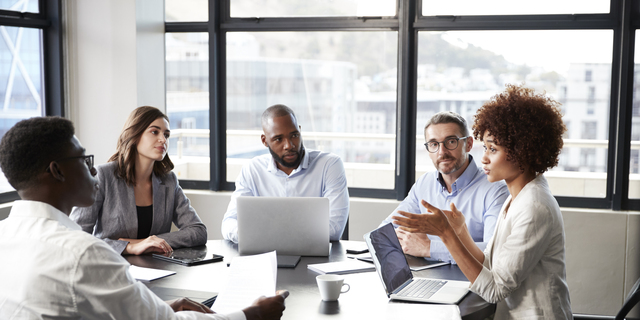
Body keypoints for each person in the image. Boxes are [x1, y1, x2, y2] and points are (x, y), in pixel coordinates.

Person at [0, 116, 288, 319]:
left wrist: (157, 307)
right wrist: (252, 314)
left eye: (167, 134)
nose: (91, 170)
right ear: (57, 171)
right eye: (83, 160)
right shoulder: (83, 253)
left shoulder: (6, 235)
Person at [393, 84, 572, 319]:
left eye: (493, 149)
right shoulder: (518, 198)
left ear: (523, 152)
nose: (484, 158)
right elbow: (490, 263)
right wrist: (461, 232)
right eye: (485, 147)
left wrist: (447, 234)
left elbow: (494, 289)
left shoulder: (534, 207)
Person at [70, 106, 207, 255]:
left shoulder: (169, 180)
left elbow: (198, 231)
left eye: (166, 135)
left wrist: (149, 242)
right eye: (154, 132)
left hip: (158, 270)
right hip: (111, 268)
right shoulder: (103, 175)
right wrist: (128, 247)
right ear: (134, 135)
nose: (163, 139)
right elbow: (76, 238)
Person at [380, 111, 508, 263]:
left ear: (468, 144)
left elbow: (492, 252)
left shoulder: (495, 190)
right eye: (434, 144)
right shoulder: (424, 184)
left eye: (451, 141)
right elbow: (385, 231)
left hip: (472, 282)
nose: (442, 152)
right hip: (427, 277)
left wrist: (429, 248)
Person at [221, 104, 350, 243]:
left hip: (315, 259)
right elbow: (229, 222)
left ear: (300, 131)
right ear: (265, 141)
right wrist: (246, 234)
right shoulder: (252, 169)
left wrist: (261, 234)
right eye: (278, 139)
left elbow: (334, 229)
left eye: (294, 135)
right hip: (265, 256)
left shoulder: (329, 165)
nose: (289, 145)